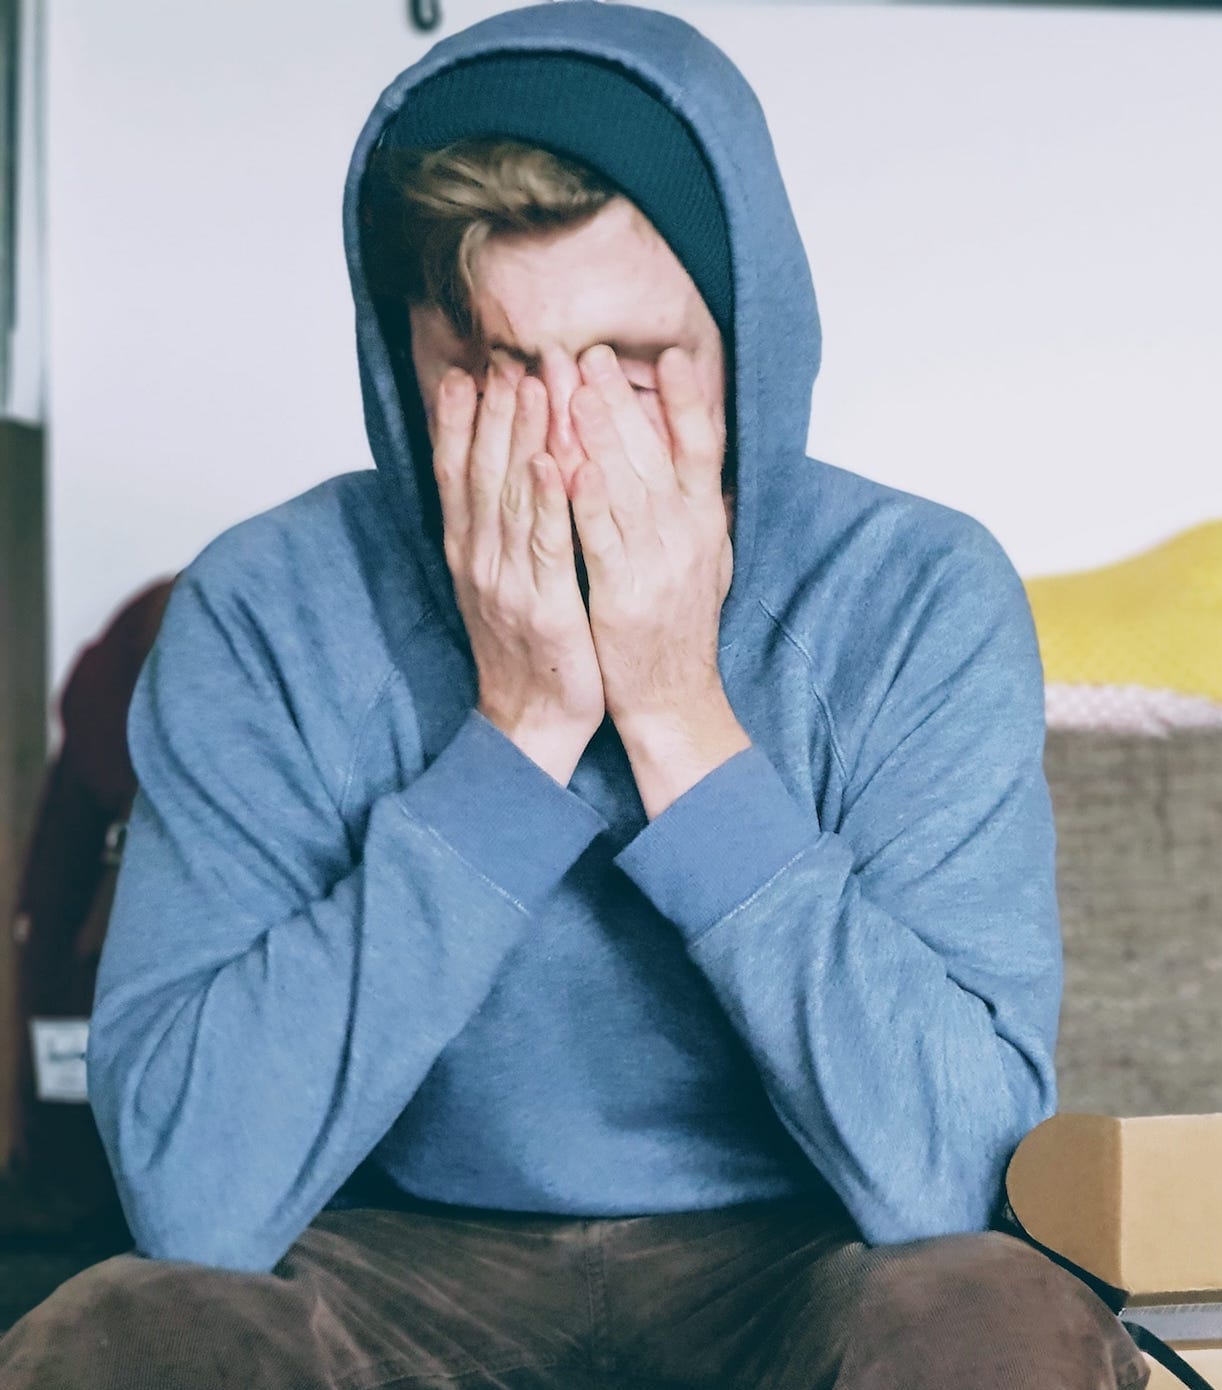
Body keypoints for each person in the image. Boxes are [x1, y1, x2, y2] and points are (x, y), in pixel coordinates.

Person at [0, 5, 1149, 1387]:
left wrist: (678, 718)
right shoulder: (265, 606)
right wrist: (523, 728)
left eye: (640, 365)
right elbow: (191, 1195)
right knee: (125, 1335)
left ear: (745, 345)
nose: (563, 443)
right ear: (402, 362)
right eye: (492, 367)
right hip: (390, 1260)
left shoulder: (918, 596)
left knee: (998, 1321)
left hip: (799, 1258)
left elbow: (954, 1175)